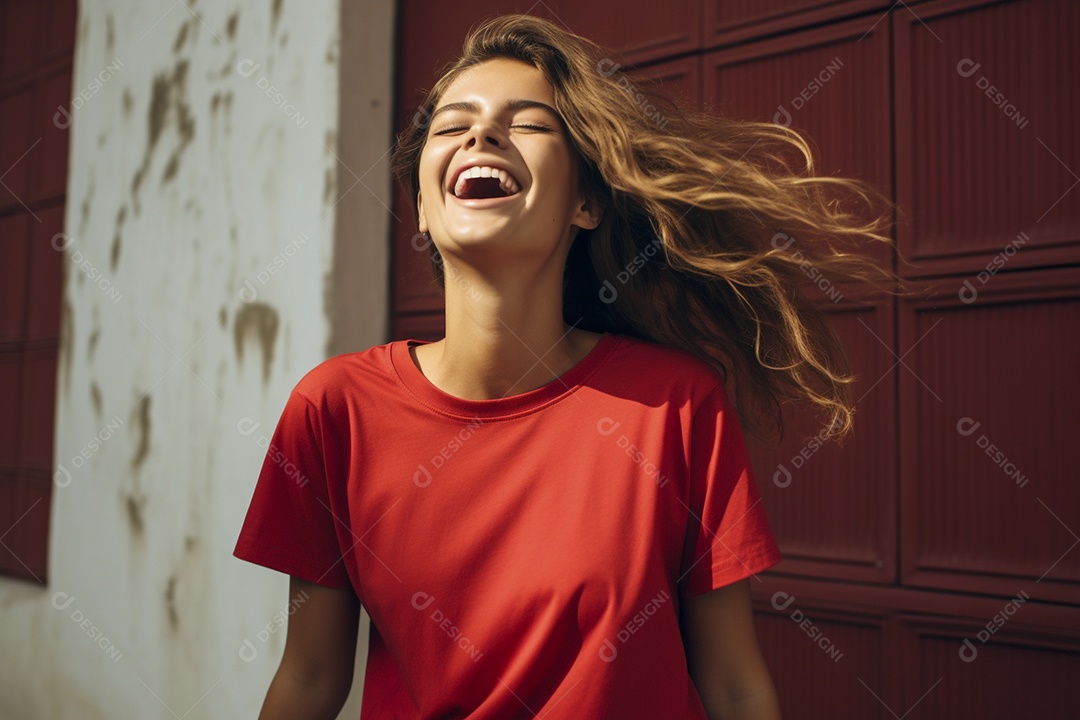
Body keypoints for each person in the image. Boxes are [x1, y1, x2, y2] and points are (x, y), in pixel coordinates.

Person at [234, 14, 893, 720]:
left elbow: (734, 684)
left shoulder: (676, 405)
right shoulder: (334, 410)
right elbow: (308, 678)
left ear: (586, 202)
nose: (481, 136)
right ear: (422, 209)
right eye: (452, 124)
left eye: (527, 124)